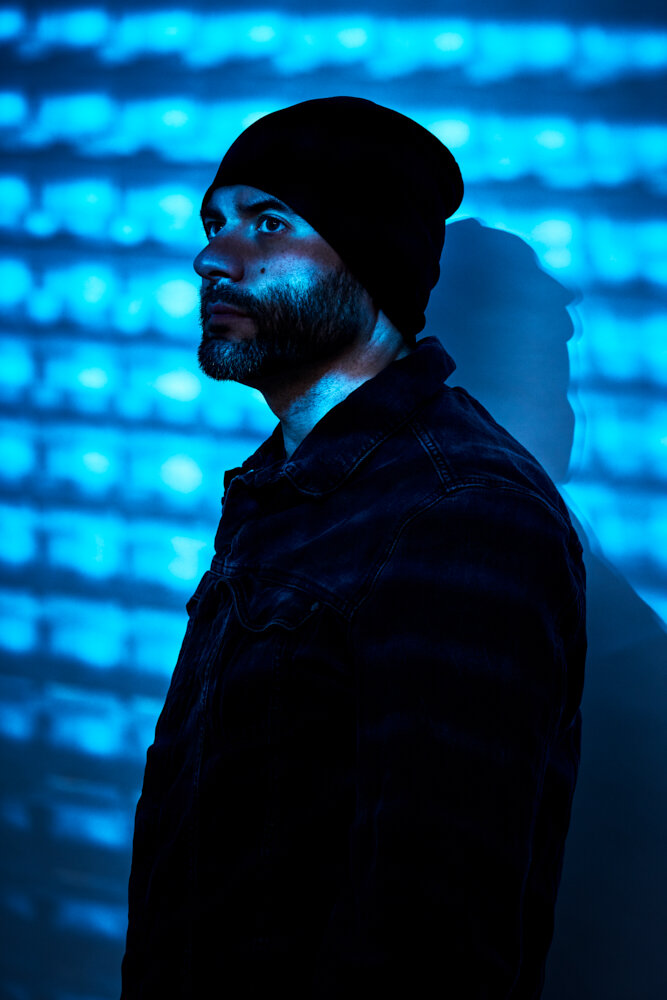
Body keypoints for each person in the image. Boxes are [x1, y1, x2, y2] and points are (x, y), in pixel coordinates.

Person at [120, 97, 587, 1000]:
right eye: (215, 224)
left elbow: (433, 937)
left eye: (268, 223)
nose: (213, 258)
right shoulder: (292, 488)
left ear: (373, 257)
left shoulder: (460, 513)